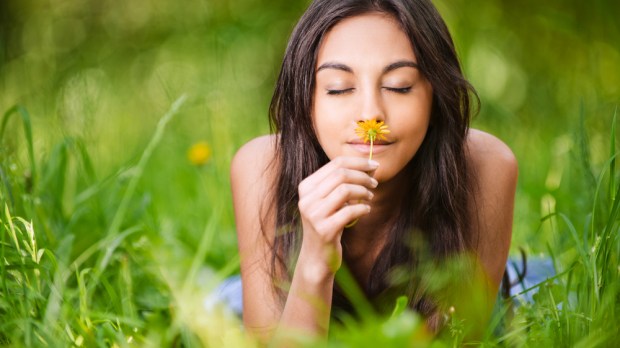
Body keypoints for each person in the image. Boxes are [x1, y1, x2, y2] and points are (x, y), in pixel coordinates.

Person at [230, 0, 517, 343]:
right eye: (338, 88)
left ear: (435, 95)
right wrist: (314, 264)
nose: (370, 113)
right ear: (305, 100)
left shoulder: (486, 165)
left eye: (399, 85)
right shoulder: (262, 166)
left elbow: (456, 339)